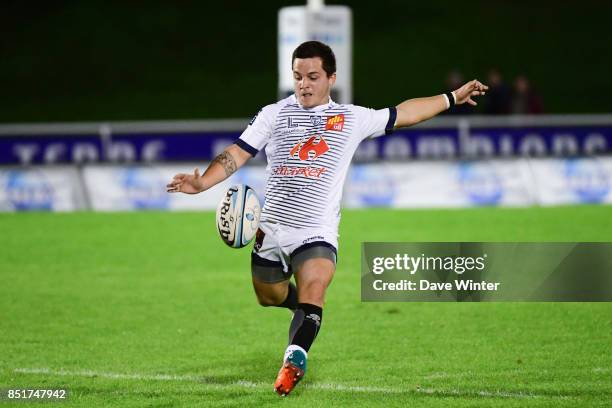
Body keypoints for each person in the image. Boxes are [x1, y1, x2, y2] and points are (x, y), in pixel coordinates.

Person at [166, 41, 487, 396]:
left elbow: (403, 113)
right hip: (270, 229)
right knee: (268, 296)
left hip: (316, 231)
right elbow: (237, 153)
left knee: (315, 287)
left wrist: (452, 98)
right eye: (297, 76)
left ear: (331, 78)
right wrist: (202, 182)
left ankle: (293, 360)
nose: (303, 84)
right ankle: (296, 306)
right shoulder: (274, 114)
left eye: (312, 76)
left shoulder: (351, 118)